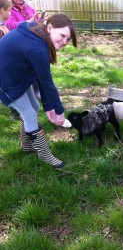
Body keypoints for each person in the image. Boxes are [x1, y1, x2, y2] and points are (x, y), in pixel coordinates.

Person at [0, 13, 77, 168]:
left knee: (34, 107)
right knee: (29, 112)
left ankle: (27, 145)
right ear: (49, 28)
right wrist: (59, 111)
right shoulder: (38, 48)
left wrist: (49, 107)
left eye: (68, 39)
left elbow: (40, 77)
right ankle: (44, 154)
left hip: (17, 74)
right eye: (62, 35)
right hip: (6, 80)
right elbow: (47, 82)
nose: (64, 42)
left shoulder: (38, 32)